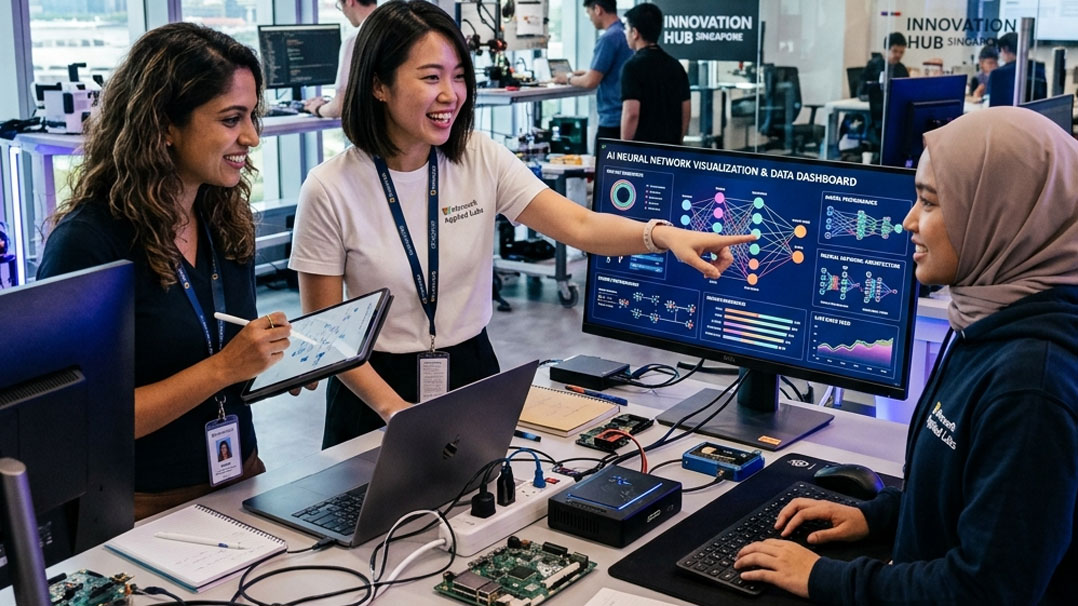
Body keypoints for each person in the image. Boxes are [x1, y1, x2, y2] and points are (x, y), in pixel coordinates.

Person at [289, 0, 756, 449]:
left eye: (458, 76)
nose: (450, 94)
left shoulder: (479, 158)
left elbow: (579, 225)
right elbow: (328, 335)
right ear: (378, 85)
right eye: (431, 77)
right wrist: (396, 411)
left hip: (472, 371)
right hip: (373, 394)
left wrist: (663, 235)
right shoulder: (330, 189)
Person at [733, 106, 1078, 603]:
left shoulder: (1031, 388)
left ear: (998, 213)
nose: (908, 222)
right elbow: (968, 499)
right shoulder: (987, 319)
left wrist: (824, 578)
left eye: (930, 203)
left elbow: (982, 592)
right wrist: (879, 516)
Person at [36, 23, 297, 519]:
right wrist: (225, 368)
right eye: (231, 118)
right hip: (140, 505)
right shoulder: (89, 244)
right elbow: (81, 418)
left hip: (238, 476)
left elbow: (218, 353)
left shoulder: (224, 217)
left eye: (252, 115)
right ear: (164, 127)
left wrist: (268, 363)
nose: (252, 137)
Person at [553, 0, 632, 153]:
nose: (589, 18)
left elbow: (591, 81)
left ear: (597, 9)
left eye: (588, 12)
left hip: (612, 119)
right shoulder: (624, 33)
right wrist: (584, 73)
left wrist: (567, 78)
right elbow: (614, 71)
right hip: (623, 117)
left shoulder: (608, 38)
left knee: (605, 172)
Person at [619, 2, 690, 145]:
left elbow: (631, 114)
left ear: (635, 33)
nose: (625, 33)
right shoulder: (676, 66)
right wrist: (678, 142)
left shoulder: (632, 67)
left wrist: (624, 149)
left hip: (642, 152)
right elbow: (686, 111)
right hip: (669, 150)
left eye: (626, 29)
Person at [304, 0, 378, 118]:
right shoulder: (399, 29)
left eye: (340, 5)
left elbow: (340, 107)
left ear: (349, 1)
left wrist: (317, 108)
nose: (343, 12)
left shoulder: (355, 39)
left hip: (374, 130)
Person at [987, 31, 1047, 105]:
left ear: (1005, 49)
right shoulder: (1038, 67)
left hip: (1007, 114)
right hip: (1033, 114)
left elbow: (993, 104)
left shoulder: (998, 74)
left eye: (1000, 50)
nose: (1000, 55)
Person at [859, 32, 909, 96]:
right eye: (895, 51)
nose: (898, 55)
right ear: (885, 50)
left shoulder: (902, 69)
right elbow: (862, 91)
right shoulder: (873, 66)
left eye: (901, 52)